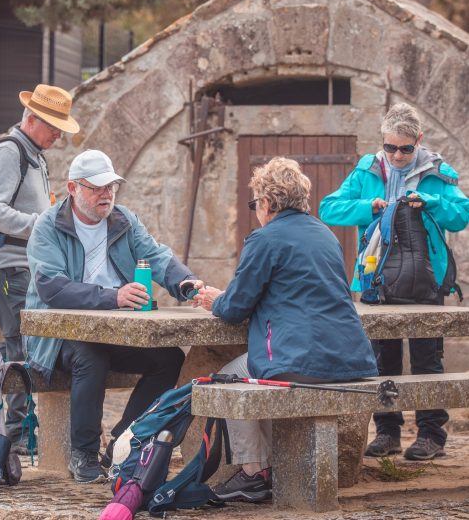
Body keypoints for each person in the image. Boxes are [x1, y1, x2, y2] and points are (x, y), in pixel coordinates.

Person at [193, 157, 378, 502]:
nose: (256, 210)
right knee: (256, 374)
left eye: (255, 203)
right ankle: (267, 467)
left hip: (300, 360)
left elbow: (234, 309)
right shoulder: (326, 235)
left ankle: (252, 472)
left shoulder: (265, 239)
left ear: (266, 202)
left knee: (230, 376)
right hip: (349, 358)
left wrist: (214, 300)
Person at [24, 149, 201, 483]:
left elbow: (157, 256)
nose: (106, 194)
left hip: (115, 331)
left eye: (111, 186)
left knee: (169, 358)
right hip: (56, 337)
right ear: (73, 188)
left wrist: (186, 284)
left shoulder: (124, 220)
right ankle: (84, 454)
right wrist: (113, 297)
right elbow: (53, 288)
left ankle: (123, 440)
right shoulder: (47, 226)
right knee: (90, 354)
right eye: (97, 187)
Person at [319, 102, 469, 461]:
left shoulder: (439, 172)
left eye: (405, 148)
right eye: (390, 147)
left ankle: (432, 435)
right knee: (382, 359)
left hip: (426, 279)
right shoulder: (367, 169)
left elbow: (461, 216)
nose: (397, 155)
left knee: (427, 359)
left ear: (419, 140)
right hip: (377, 278)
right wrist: (368, 207)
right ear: (382, 142)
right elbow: (328, 208)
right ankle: (388, 432)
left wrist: (429, 202)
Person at [0, 84, 80, 452]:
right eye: (52, 126)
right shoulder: (9, 151)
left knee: (18, 340)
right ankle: (13, 433)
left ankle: (2, 423)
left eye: (60, 127)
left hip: (18, 262)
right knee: (20, 339)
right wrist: (41, 224)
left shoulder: (32, 153)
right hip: (3, 262)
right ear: (30, 119)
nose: (57, 134)